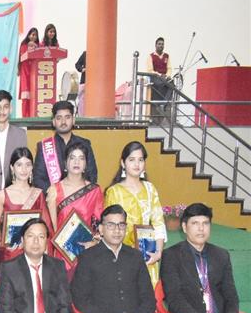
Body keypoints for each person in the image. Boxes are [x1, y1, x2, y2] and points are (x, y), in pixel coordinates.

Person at [104, 141, 166, 285]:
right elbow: (109, 228)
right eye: (132, 160)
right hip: (120, 255)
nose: (137, 164)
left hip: (147, 255)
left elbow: (158, 223)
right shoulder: (114, 192)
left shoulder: (150, 189)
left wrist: (158, 253)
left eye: (141, 160)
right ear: (123, 163)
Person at [46, 142, 104, 274]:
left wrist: (95, 242)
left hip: (86, 252)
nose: (77, 162)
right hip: (61, 254)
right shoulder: (54, 190)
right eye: (72, 158)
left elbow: (100, 224)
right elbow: (51, 228)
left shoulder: (94, 190)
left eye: (81, 158)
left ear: (86, 164)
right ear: (65, 163)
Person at [0, 147, 52, 267]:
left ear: (32, 168)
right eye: (19, 165)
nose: (24, 169)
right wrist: (3, 244)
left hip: (33, 252)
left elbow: (47, 227)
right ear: (12, 168)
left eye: (28, 165)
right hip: (9, 254)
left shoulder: (38, 194)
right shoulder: (2, 195)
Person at [32, 100, 98, 192]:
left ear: (73, 120)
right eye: (59, 118)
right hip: (52, 198)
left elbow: (92, 176)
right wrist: (56, 194)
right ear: (53, 122)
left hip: (80, 198)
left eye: (67, 117)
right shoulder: (45, 146)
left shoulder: (85, 144)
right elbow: (38, 179)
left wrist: (76, 195)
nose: (63, 121)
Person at [147, 37, 172, 124]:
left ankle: (164, 104)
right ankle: (161, 105)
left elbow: (169, 68)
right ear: (156, 45)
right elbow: (150, 70)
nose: (161, 46)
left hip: (164, 78)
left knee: (172, 85)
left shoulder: (166, 56)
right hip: (155, 77)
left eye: (162, 44)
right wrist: (160, 75)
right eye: (159, 44)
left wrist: (168, 76)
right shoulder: (151, 56)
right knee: (160, 83)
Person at [18, 28, 40, 118]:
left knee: (33, 97)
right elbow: (24, 57)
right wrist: (31, 47)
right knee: (26, 97)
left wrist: (36, 47)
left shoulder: (38, 46)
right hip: (25, 73)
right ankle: (25, 117)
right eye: (32, 34)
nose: (33, 37)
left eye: (35, 35)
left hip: (34, 73)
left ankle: (32, 117)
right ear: (28, 35)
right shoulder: (24, 45)